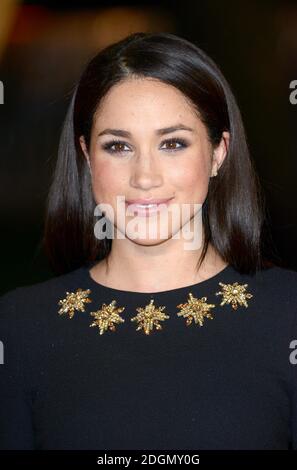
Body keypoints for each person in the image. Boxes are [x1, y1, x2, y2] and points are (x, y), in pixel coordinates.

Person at [0, 31, 297, 450]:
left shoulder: (289, 314)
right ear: (87, 156)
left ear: (219, 153)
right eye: (118, 146)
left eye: (173, 143)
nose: (144, 177)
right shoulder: (19, 328)